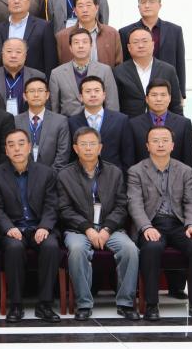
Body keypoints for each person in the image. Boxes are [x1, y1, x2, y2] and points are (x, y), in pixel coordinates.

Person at [127, 126, 192, 322]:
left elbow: (191, 202)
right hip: (152, 223)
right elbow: (134, 204)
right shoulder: (136, 171)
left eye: (165, 140)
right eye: (155, 141)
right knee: (152, 247)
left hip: (179, 224)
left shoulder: (185, 170)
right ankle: (151, 304)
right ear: (147, 146)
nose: (160, 144)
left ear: (172, 145)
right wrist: (146, 227)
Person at [58, 127, 139, 321]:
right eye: (83, 144)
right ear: (75, 148)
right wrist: (87, 228)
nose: (88, 148)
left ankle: (126, 303)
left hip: (110, 228)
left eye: (92, 144)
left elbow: (121, 206)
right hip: (78, 229)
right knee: (77, 250)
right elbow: (64, 209)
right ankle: (84, 304)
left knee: (130, 249)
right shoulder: (64, 175)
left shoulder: (114, 172)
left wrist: (107, 229)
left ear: (100, 147)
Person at [0, 130, 61, 323]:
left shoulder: (47, 173)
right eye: (11, 145)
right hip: (12, 228)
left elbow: (52, 205)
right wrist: (8, 227)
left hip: (39, 227)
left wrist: (44, 227)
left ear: (29, 147)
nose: (17, 148)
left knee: (51, 246)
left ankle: (45, 303)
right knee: (13, 248)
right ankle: (16, 304)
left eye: (21, 144)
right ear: (6, 150)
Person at [119, 0, 186, 96]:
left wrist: (181, 93)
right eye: (143, 2)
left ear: (160, 5)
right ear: (138, 7)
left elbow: (180, 63)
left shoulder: (174, 30)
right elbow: (124, 62)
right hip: (136, 90)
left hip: (166, 89)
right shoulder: (125, 32)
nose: (147, 5)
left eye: (151, 1)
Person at [49, 27, 120, 116]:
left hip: (98, 122)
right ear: (70, 48)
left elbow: (112, 104)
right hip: (68, 122)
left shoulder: (105, 70)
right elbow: (54, 108)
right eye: (76, 42)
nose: (81, 46)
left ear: (91, 46)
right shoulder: (57, 73)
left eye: (85, 42)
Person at [68, 76, 135, 170]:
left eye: (97, 91)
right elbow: (71, 155)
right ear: (81, 97)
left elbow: (128, 154)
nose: (93, 95)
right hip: (82, 174)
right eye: (88, 91)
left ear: (104, 95)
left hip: (114, 175)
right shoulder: (71, 122)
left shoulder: (121, 120)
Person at [128, 79, 192, 169]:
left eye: (163, 95)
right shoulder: (133, 124)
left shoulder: (184, 124)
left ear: (170, 98)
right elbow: (130, 159)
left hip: (176, 175)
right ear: (147, 99)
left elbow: (189, 160)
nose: (159, 99)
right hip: (143, 176)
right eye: (154, 95)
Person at [114, 28, 183, 117]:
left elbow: (176, 104)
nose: (141, 45)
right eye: (136, 42)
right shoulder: (118, 72)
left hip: (161, 123)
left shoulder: (168, 70)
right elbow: (115, 104)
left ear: (153, 45)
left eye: (145, 41)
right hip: (129, 123)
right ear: (129, 48)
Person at [0, 0, 58, 74]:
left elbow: (50, 60)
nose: (16, 1)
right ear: (7, 1)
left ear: (29, 1)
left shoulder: (44, 27)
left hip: (35, 80)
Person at [15, 77, 71, 171]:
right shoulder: (15, 121)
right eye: (32, 91)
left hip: (52, 175)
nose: (36, 95)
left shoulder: (60, 121)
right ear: (25, 96)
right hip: (22, 173)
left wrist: (49, 176)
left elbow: (63, 154)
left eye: (40, 90)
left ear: (47, 95)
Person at [55, 0, 122, 68]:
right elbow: (59, 66)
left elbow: (119, 65)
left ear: (96, 8)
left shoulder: (112, 34)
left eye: (88, 5)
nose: (85, 10)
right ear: (75, 11)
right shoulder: (62, 37)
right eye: (80, 6)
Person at [0, 38, 46, 114]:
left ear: (25, 56)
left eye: (18, 52)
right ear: (2, 54)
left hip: (27, 121)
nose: (13, 55)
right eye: (9, 51)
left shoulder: (38, 76)